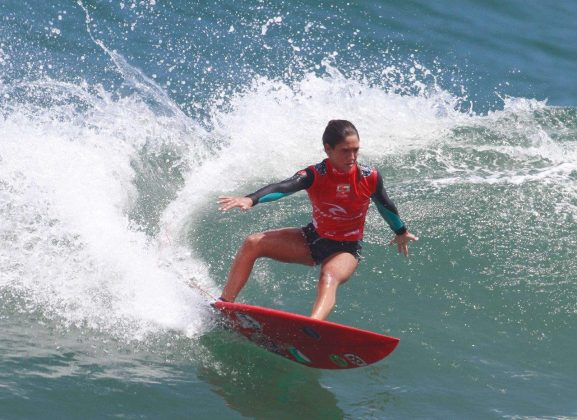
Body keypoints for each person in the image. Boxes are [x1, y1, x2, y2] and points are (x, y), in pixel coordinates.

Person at [217, 120, 418, 320]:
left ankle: (313, 326)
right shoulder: (315, 174)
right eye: (345, 151)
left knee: (328, 276)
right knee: (253, 243)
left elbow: (385, 205)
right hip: (313, 239)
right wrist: (251, 199)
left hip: (346, 248)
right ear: (328, 149)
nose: (352, 157)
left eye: (356, 150)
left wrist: (401, 231)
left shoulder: (369, 176)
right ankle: (224, 307)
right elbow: (283, 187)